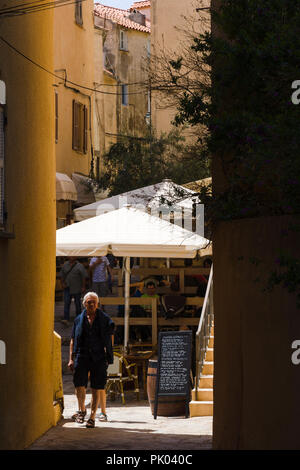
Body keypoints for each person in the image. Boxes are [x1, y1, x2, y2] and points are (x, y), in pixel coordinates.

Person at [68, 292, 115, 428]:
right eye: (89, 302)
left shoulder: (105, 319)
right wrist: (71, 358)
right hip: (81, 356)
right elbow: (72, 340)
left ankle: (92, 417)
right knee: (79, 384)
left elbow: (110, 337)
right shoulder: (78, 320)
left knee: (97, 386)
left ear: (97, 304)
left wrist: (108, 354)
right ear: (84, 304)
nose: (92, 304)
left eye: (94, 302)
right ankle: (82, 410)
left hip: (98, 357)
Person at [60, 257, 88, 324]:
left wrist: (83, 287)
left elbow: (83, 277)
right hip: (67, 287)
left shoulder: (79, 266)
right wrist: (62, 284)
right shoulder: (65, 265)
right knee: (66, 303)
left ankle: (79, 318)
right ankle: (66, 318)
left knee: (77, 304)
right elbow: (62, 275)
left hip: (77, 287)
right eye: (70, 256)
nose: (71, 257)